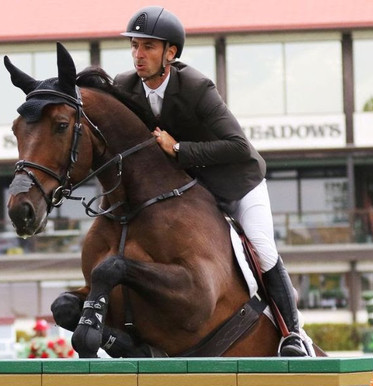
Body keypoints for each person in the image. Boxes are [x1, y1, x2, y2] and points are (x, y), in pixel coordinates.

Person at [113, 6, 309, 357]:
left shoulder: (196, 87)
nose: (138, 55)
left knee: (262, 249)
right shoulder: (126, 87)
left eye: (148, 47)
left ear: (170, 53)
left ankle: (293, 334)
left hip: (237, 184)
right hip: (190, 195)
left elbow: (237, 145)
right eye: (134, 46)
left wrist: (180, 149)